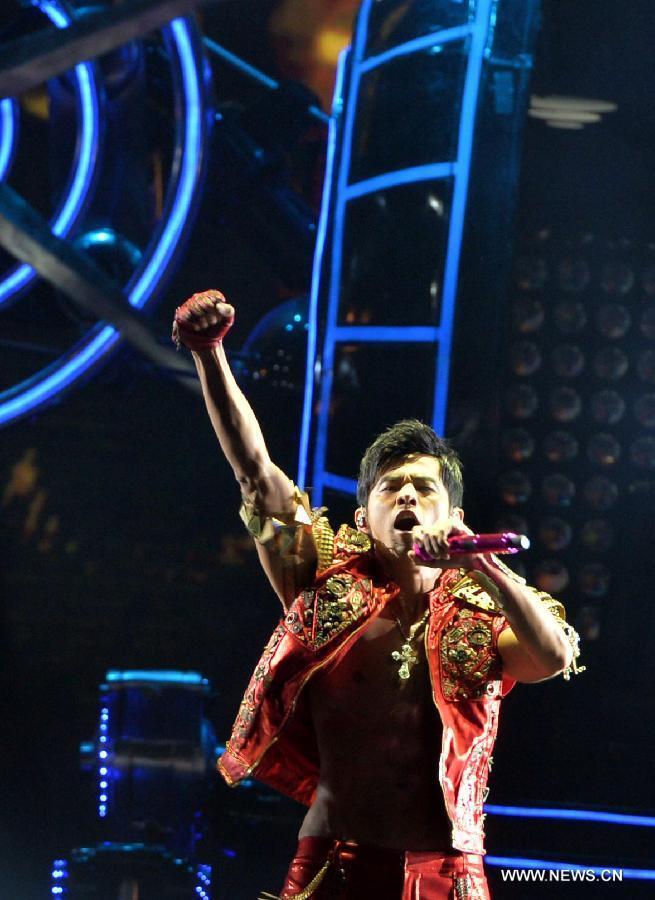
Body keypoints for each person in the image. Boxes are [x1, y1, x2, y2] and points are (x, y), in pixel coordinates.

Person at [173, 290, 583, 899]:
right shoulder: (322, 581)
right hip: (332, 863)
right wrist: (209, 355)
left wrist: (487, 566)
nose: (410, 497)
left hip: (449, 871)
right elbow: (256, 474)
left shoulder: (483, 609)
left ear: (456, 512)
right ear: (364, 517)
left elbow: (550, 658)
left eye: (424, 487)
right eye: (392, 488)